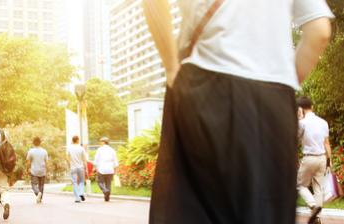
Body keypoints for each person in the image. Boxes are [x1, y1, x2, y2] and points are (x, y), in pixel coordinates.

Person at [142, 0, 334, 222]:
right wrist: (277, 89)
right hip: (275, 104)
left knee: (192, 210)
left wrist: (171, 68)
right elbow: (319, 30)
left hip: (205, 83)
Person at [297, 96, 332, 223]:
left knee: (301, 185)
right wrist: (329, 160)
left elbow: (295, 137)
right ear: (312, 106)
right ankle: (316, 217)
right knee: (318, 187)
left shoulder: (302, 123)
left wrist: (299, 119)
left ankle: (313, 206)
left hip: (309, 158)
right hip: (322, 158)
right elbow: (327, 143)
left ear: (300, 109)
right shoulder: (323, 122)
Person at [93, 137, 118, 202]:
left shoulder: (99, 149)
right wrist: (117, 170)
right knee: (108, 183)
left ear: (104, 142)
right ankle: (107, 198)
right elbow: (115, 160)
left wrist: (94, 167)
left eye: (101, 141)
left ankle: (105, 190)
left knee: (99, 182)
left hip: (102, 168)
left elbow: (96, 159)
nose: (100, 143)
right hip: (110, 168)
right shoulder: (112, 150)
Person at [27, 137, 50, 204]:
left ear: (33, 143)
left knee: (34, 184)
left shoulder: (31, 151)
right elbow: (47, 162)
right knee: (41, 185)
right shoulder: (44, 151)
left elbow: (28, 162)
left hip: (34, 171)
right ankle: (40, 198)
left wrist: (27, 169)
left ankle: (37, 193)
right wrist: (48, 171)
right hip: (42, 170)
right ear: (40, 143)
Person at [66, 136, 88, 203]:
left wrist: (70, 166)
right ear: (77, 140)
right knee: (81, 181)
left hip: (73, 167)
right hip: (80, 167)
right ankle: (81, 193)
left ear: (73, 140)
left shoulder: (69, 148)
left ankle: (77, 198)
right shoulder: (81, 148)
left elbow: (67, 159)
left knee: (74, 183)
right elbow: (84, 159)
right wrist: (86, 168)